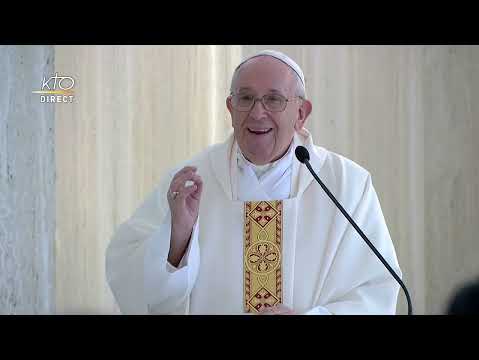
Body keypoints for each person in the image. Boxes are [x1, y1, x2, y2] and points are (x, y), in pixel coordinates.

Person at [105, 50, 402, 315]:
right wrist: (176, 238)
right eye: (245, 98)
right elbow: (126, 268)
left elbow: (375, 290)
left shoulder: (348, 186)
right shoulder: (189, 183)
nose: (258, 113)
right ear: (231, 109)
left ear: (301, 113)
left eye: (273, 99)